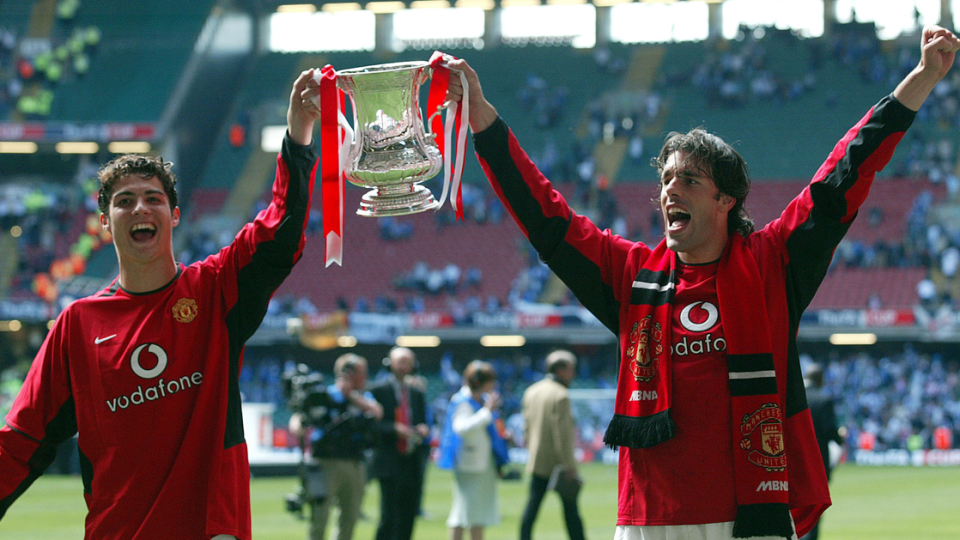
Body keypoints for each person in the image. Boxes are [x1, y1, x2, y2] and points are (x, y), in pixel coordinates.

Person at [444, 25, 960, 540]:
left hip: (750, 518)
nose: (670, 189)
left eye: (689, 180)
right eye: (666, 178)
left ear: (726, 201)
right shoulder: (631, 275)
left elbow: (844, 175)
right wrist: (483, 119)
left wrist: (920, 77)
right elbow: (547, 219)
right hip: (649, 519)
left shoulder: (772, 263)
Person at [0, 68, 324, 539]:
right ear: (106, 225)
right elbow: (22, 440)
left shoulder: (215, 289)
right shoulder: (78, 323)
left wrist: (298, 136)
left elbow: (279, 233)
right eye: (124, 201)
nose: (139, 209)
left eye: (152, 199)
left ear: (173, 216)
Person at [289, 354, 382, 540]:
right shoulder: (326, 394)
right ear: (348, 373)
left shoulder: (363, 397)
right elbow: (301, 415)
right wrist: (297, 425)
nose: (366, 377)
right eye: (362, 373)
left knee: (350, 518)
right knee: (319, 516)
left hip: (355, 462)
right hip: (325, 461)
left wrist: (351, 396)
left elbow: (377, 412)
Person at [437, 360, 509, 540]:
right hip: (469, 463)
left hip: (483, 463)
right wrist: (487, 412)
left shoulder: (480, 400)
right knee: (462, 513)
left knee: (478, 515)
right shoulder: (462, 401)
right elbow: (461, 428)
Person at [520, 350, 586, 540]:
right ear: (560, 369)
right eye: (571, 369)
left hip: (537, 461)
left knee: (531, 509)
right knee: (572, 513)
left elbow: (526, 429)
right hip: (559, 464)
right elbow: (563, 436)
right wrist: (569, 465)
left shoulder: (531, 391)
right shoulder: (561, 395)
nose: (573, 374)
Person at [368, 346, 431, 540]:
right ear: (390, 364)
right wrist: (394, 429)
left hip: (412, 460)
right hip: (389, 459)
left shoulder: (416, 392)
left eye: (407, 362)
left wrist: (421, 429)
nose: (404, 366)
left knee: (409, 514)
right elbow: (371, 426)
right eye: (400, 361)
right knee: (389, 515)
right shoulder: (377, 390)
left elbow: (422, 420)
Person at [799, 363, 843, 540]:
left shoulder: (793, 396)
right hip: (817, 464)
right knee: (815, 508)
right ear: (820, 379)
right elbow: (830, 431)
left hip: (795, 462)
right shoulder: (823, 400)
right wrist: (841, 436)